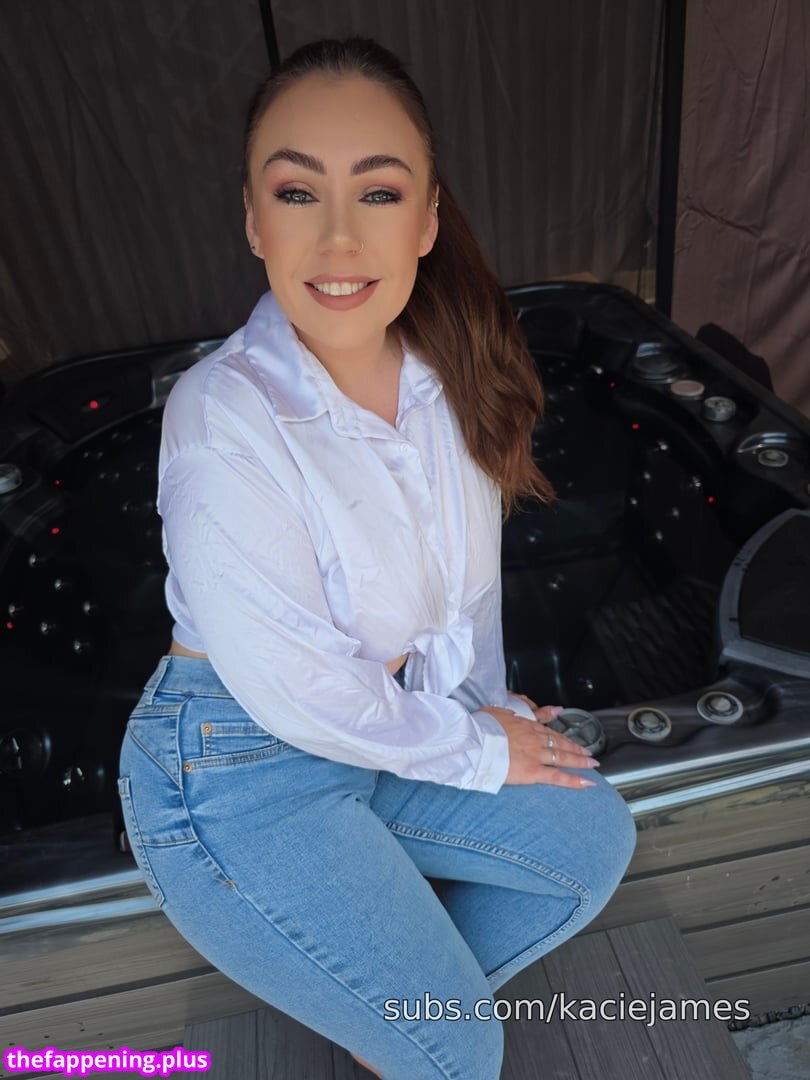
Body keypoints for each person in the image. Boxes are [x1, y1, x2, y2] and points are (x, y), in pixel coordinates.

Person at [117, 36, 636, 1079]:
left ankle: (401, 1022)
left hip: (379, 719)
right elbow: (298, 692)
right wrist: (476, 751)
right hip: (236, 767)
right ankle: (428, 1034)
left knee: (591, 841)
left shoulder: (445, 374)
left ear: (429, 220)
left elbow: (464, 601)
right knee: (463, 1052)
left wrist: (484, 710)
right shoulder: (222, 417)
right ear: (254, 221)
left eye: (380, 192)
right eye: (298, 193)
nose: (340, 237)